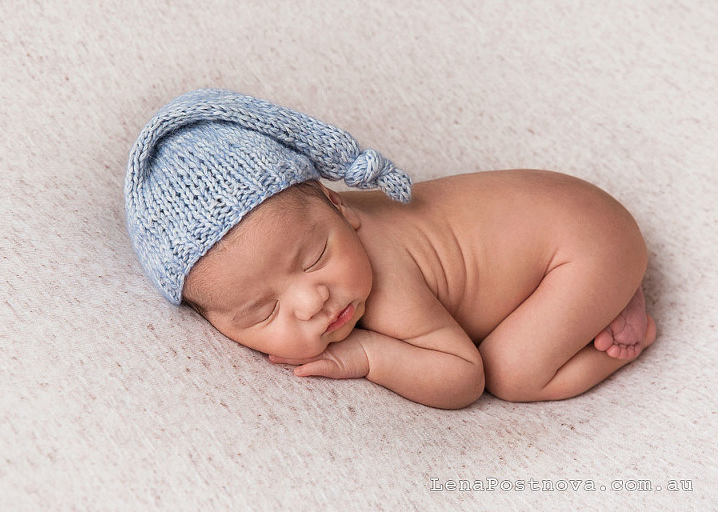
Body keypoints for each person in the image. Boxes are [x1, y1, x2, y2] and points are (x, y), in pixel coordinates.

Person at [125, 89, 656, 409]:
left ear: (340, 208)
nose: (313, 302)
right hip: (565, 213)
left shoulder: (387, 275)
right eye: (264, 310)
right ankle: (600, 295)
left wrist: (368, 355)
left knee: (509, 371)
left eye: (314, 259)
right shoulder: (308, 224)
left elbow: (462, 376)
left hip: (585, 243)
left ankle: (623, 317)